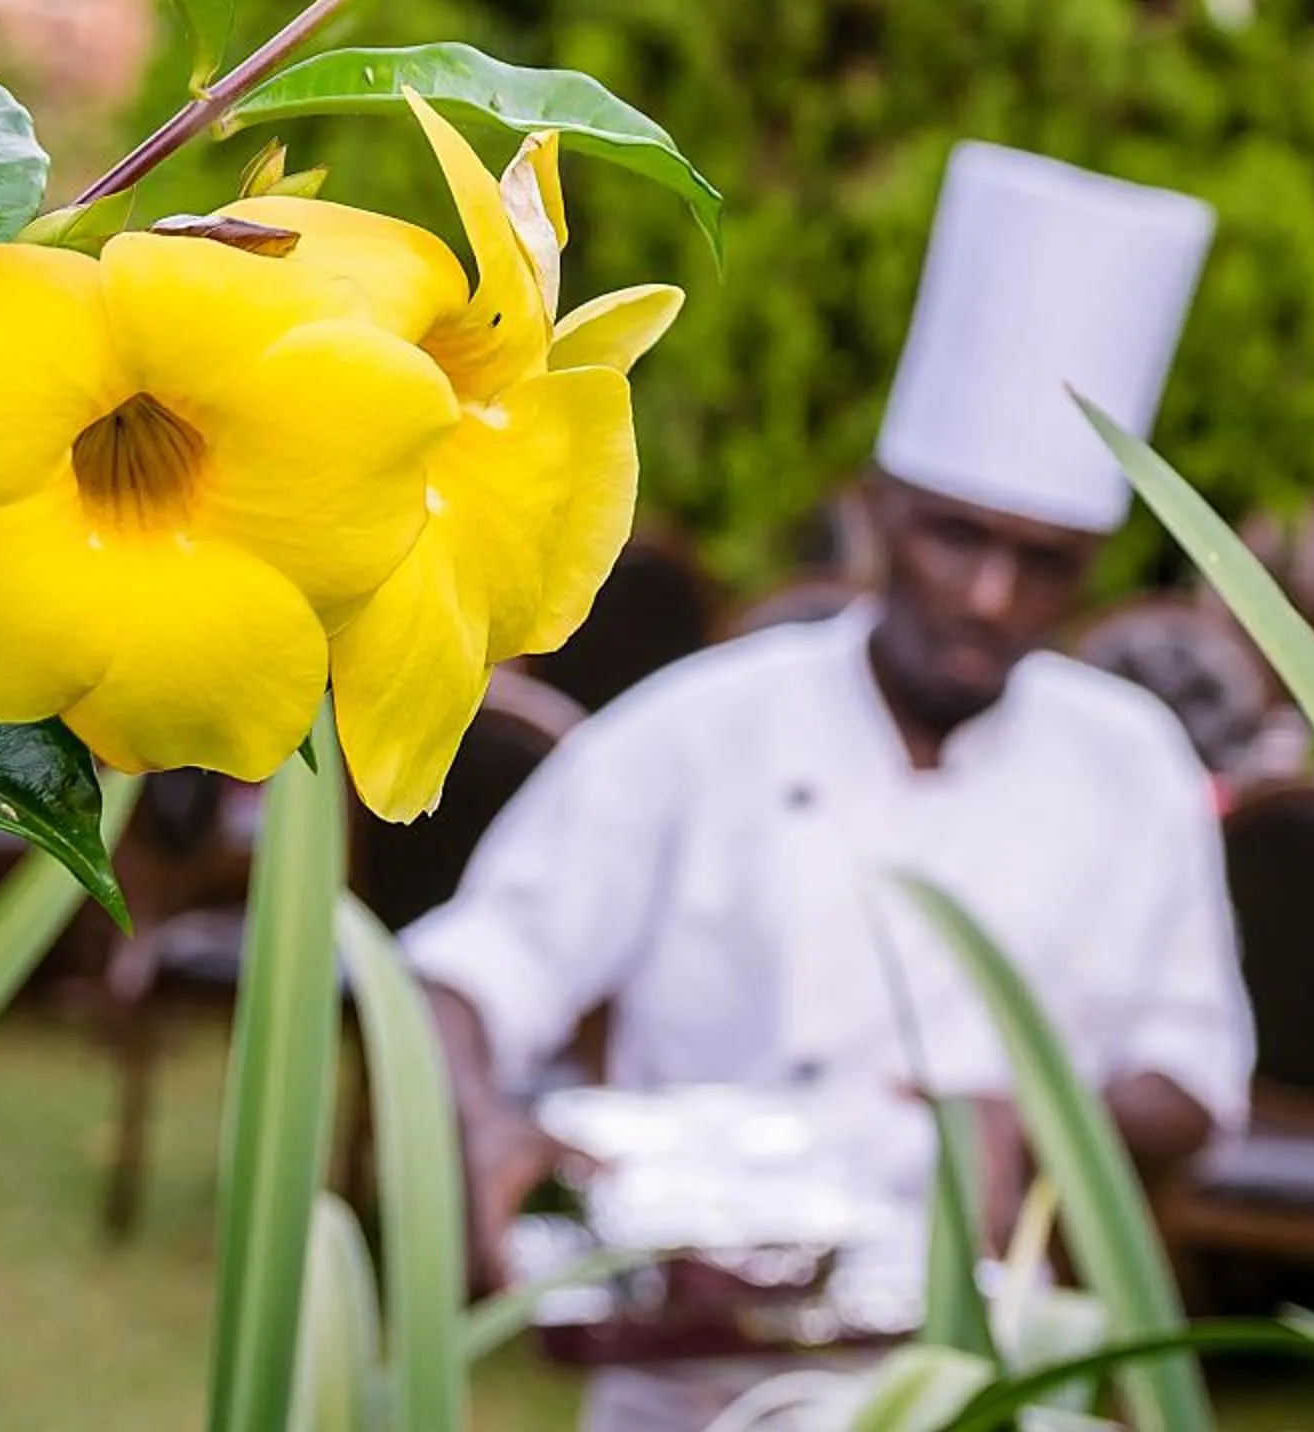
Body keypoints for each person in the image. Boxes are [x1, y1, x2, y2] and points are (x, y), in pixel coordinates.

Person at [406, 143, 1252, 1432]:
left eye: (1044, 561)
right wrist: (469, 1122)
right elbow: (467, 970)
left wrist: (1033, 1119)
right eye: (958, 535)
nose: (988, 596)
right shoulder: (705, 725)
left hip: (992, 1377)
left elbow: (1195, 1080)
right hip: (693, 1383)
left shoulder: (1131, 763)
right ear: (879, 510)